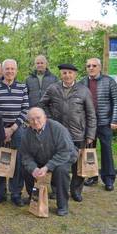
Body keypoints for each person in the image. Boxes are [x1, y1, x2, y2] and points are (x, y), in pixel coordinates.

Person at [39, 63, 97, 202]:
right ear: (61, 74)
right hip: (58, 134)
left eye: (70, 73)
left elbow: (91, 114)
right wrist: (50, 119)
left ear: (75, 75)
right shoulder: (53, 88)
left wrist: (90, 135)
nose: (67, 75)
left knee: (78, 165)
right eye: (64, 73)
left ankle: (76, 190)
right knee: (57, 162)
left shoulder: (83, 90)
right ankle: (56, 190)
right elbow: (41, 105)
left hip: (78, 134)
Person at [21, 107, 78, 216]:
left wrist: (47, 167)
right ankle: (34, 197)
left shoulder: (57, 128)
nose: (35, 121)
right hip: (41, 158)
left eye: (38, 118)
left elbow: (65, 151)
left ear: (45, 118)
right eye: (32, 119)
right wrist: (34, 169)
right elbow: (25, 155)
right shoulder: (26, 133)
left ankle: (62, 205)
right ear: (28, 121)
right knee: (26, 168)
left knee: (61, 171)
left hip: (64, 157)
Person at [0, 59, 29, 207]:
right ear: (3, 70)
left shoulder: (22, 87)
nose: (10, 71)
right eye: (7, 69)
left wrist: (12, 128)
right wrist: (2, 129)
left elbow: (25, 109)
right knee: (0, 159)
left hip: (18, 129)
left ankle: (16, 193)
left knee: (18, 162)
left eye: (13, 69)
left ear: (16, 71)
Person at [79, 58, 117, 191]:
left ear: (99, 67)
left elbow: (116, 101)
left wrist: (114, 120)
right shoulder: (82, 82)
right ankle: (92, 176)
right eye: (88, 65)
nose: (91, 68)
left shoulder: (109, 81)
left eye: (94, 65)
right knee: (90, 151)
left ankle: (108, 179)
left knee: (106, 151)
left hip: (105, 123)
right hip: (89, 124)